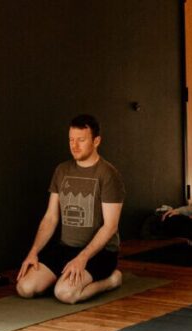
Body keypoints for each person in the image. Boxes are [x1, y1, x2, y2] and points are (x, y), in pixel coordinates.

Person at [16, 114, 126, 304]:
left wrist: (83, 258)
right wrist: (34, 251)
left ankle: (111, 280)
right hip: (66, 249)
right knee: (25, 288)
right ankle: (62, 278)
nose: (74, 146)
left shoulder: (109, 175)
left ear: (96, 141)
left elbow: (110, 227)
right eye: (71, 140)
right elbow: (50, 218)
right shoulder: (62, 170)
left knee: (65, 293)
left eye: (81, 140)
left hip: (100, 254)